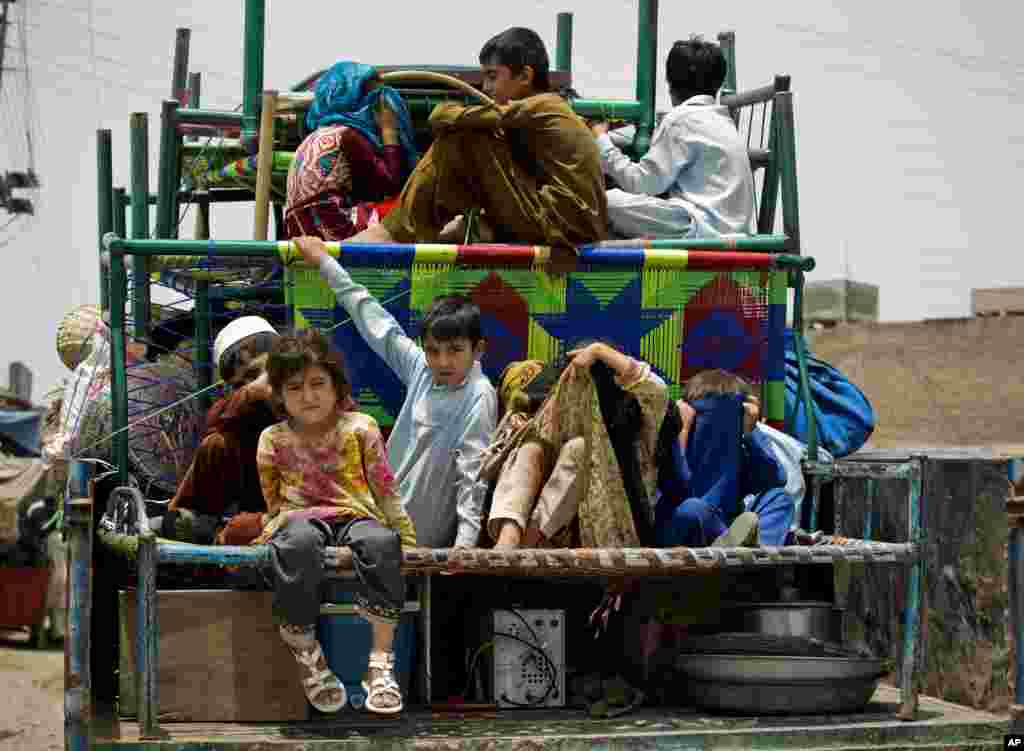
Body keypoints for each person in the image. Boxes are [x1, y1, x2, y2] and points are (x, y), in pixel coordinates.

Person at [293, 236, 497, 549]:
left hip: (420, 536)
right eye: (433, 350)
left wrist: (464, 548)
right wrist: (324, 262)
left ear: (477, 349)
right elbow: (372, 317)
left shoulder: (478, 395)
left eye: (455, 350)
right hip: (376, 518)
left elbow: (473, 475)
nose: (443, 361)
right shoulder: (421, 369)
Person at [254, 328, 416, 715]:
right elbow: (274, 501)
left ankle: (380, 664)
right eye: (295, 387)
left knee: (380, 543)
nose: (308, 396)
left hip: (357, 515)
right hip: (299, 519)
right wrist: (273, 530)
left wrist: (406, 537)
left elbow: (385, 489)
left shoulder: (361, 427)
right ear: (279, 394)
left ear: (335, 384)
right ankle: (308, 654)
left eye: (317, 384)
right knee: (296, 543)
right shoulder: (271, 439)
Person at [341, 27, 607, 247]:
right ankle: (447, 229)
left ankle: (393, 233)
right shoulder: (539, 113)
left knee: (464, 137)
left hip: (561, 229)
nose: (487, 88)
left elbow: (443, 118)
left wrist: (446, 111)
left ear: (525, 76)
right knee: (482, 141)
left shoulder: (543, 106)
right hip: (561, 224)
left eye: (493, 76)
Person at [484, 340, 668, 549]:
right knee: (531, 446)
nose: (581, 391)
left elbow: (657, 389)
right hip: (558, 534)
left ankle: (529, 541)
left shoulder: (636, 416)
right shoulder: (556, 410)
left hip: (613, 535)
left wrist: (599, 351)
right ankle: (510, 536)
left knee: (579, 449)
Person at [591, 36, 756, 239]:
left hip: (700, 229)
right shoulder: (720, 119)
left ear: (670, 85)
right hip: (731, 231)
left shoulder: (681, 119)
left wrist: (600, 137)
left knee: (606, 202)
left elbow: (641, 183)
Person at [655, 369, 796, 548]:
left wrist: (751, 432)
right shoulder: (675, 439)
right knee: (692, 509)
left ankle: (756, 550)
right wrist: (680, 431)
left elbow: (776, 479)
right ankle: (741, 550)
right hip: (688, 525)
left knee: (780, 499)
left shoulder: (739, 447)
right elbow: (678, 488)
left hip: (728, 527)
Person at [167, 316, 282, 530]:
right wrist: (253, 390)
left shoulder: (306, 390)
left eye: (257, 372)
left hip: (317, 511)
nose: (256, 383)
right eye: (241, 383)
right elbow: (217, 417)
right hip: (259, 515)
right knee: (215, 444)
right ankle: (186, 524)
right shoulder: (237, 415)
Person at [285, 61, 418, 241]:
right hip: (332, 229)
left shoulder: (314, 137)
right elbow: (390, 185)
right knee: (401, 209)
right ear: (357, 101)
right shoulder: (347, 136)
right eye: (374, 101)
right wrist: (389, 132)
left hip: (297, 232)